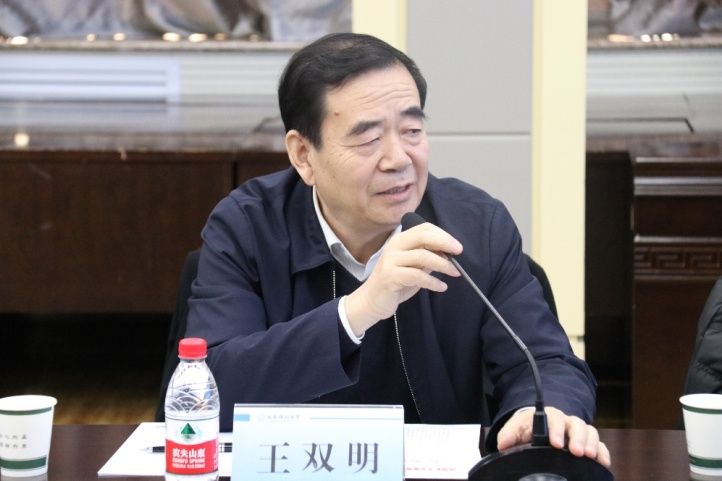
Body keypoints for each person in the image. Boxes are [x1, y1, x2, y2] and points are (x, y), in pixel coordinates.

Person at [186, 32, 611, 466]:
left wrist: (544, 410)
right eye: (368, 138)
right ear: (303, 155)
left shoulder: (476, 227)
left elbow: (546, 362)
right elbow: (207, 387)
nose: (399, 159)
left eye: (412, 130)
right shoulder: (247, 227)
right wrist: (359, 309)